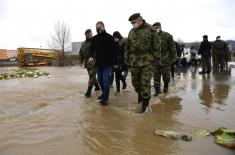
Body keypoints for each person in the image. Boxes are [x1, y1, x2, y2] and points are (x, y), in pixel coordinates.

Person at [125, 13, 159, 114]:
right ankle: (140, 94)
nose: (133, 24)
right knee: (135, 83)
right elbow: (128, 47)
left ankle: (145, 106)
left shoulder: (151, 30)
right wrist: (126, 59)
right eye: (131, 23)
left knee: (145, 83)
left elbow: (156, 46)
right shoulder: (131, 32)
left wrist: (156, 60)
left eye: (134, 22)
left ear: (140, 20)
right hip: (134, 61)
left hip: (147, 61)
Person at [89, 21, 118, 105]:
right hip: (98, 63)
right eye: (96, 28)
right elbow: (91, 48)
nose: (98, 30)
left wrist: (115, 63)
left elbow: (114, 51)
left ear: (103, 27)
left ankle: (105, 98)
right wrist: (91, 56)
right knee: (99, 80)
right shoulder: (95, 38)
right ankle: (103, 93)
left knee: (105, 81)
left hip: (107, 63)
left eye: (99, 28)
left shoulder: (109, 37)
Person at [152, 22, 177, 96]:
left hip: (165, 61)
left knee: (166, 77)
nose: (156, 29)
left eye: (157, 27)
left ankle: (166, 87)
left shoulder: (167, 36)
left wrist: (174, 57)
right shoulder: (151, 36)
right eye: (154, 28)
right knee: (156, 78)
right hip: (155, 61)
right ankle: (157, 91)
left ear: (160, 27)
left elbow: (172, 47)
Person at [79, 29, 100, 97]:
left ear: (91, 34)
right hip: (87, 63)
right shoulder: (83, 43)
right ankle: (97, 87)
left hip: (94, 62)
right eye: (87, 34)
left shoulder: (95, 41)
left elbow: (98, 51)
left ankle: (89, 91)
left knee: (91, 75)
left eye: (89, 34)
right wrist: (81, 62)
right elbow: (81, 53)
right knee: (92, 76)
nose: (88, 35)